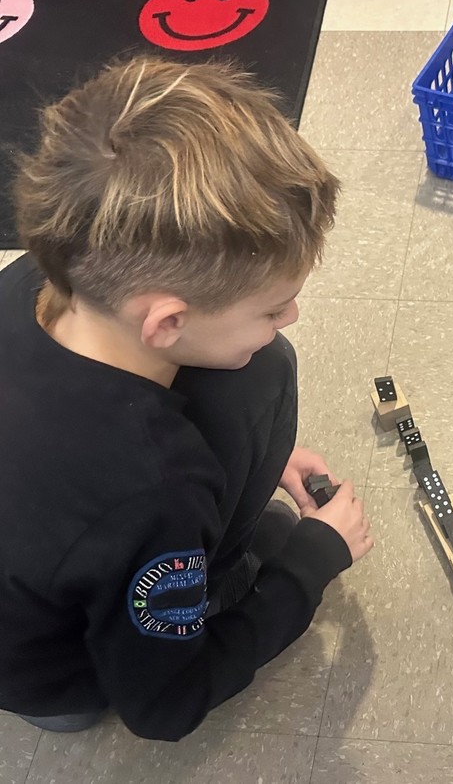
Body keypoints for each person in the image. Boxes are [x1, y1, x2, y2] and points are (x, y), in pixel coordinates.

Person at [0, 56, 373, 740]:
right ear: (167, 321)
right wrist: (310, 566)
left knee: (257, 373)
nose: (288, 319)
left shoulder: (46, 271)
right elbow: (165, 707)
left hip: (33, 567)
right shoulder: (151, 493)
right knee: (270, 497)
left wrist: (268, 449)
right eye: (273, 307)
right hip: (52, 675)